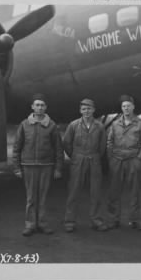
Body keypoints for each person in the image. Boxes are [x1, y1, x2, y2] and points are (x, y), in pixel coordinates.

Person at [12, 93, 64, 236]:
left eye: (42, 105)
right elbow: (17, 147)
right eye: (37, 105)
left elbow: (58, 148)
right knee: (30, 198)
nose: (40, 107)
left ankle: (42, 223)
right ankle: (30, 225)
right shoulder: (24, 125)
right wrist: (16, 167)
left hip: (46, 165)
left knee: (43, 197)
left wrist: (58, 168)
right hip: (28, 165)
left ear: (46, 107)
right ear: (32, 107)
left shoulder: (52, 126)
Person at [63, 99, 108, 232]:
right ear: (80, 111)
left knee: (95, 191)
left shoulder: (99, 126)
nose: (86, 111)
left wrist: (95, 156)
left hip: (94, 159)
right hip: (78, 158)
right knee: (74, 191)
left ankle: (96, 220)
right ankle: (69, 221)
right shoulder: (73, 125)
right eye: (84, 109)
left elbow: (102, 146)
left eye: (89, 109)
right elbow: (66, 143)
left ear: (94, 110)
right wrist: (75, 156)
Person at [107, 95, 141, 231]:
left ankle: (134, 220)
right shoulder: (115, 124)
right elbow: (109, 141)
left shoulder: (140, 124)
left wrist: (139, 160)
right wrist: (111, 159)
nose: (126, 108)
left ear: (133, 107)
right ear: (121, 108)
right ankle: (115, 219)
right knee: (115, 191)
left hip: (133, 160)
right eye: (124, 106)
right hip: (118, 160)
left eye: (128, 106)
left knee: (134, 191)